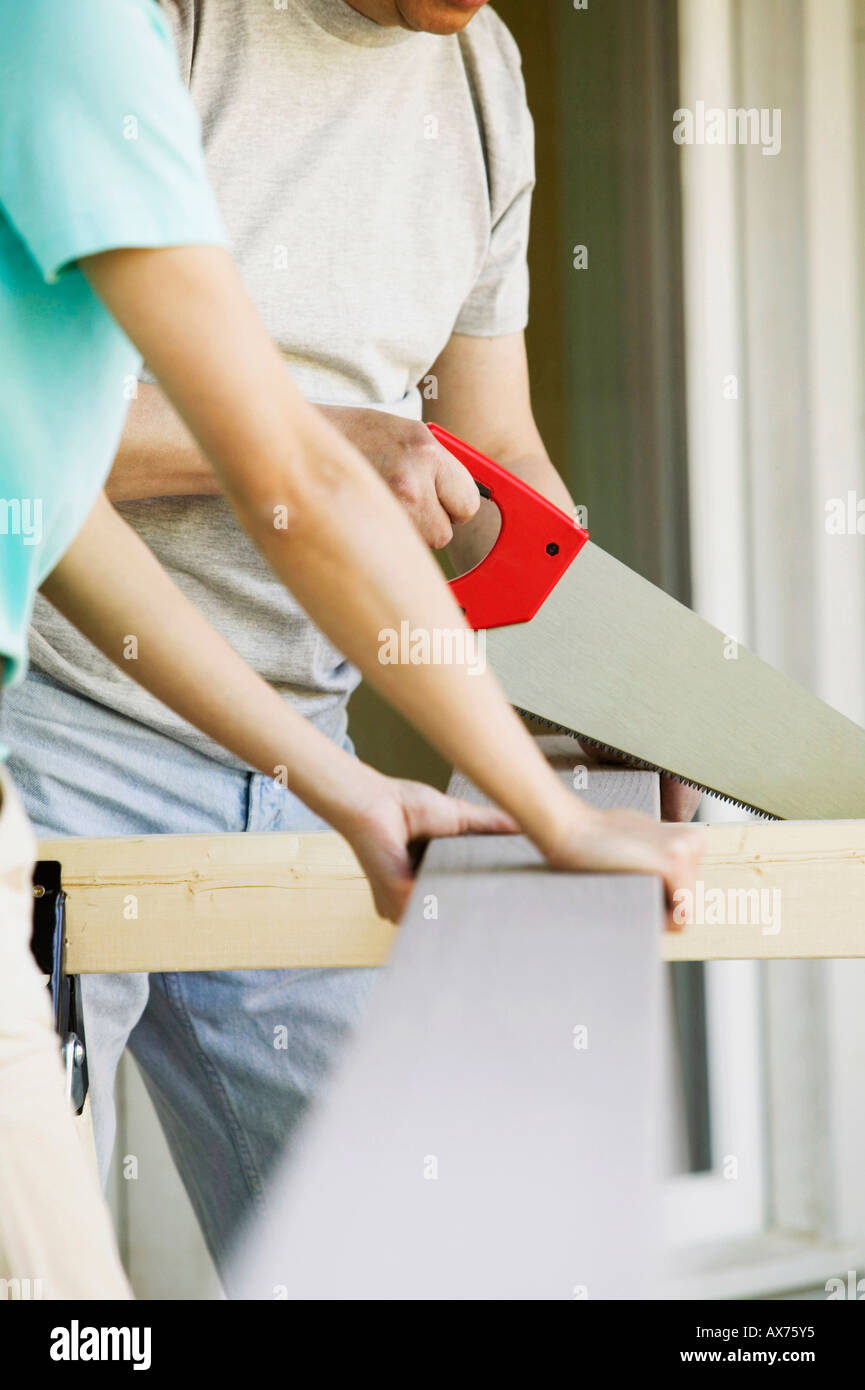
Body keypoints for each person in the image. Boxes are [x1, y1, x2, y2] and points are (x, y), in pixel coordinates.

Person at [0, 0, 702, 1296]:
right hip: (55, 732)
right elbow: (62, 430)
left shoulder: (481, 77)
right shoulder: (125, 27)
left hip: (301, 753)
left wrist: (607, 704)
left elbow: (497, 461)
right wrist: (331, 443)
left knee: (396, 1266)